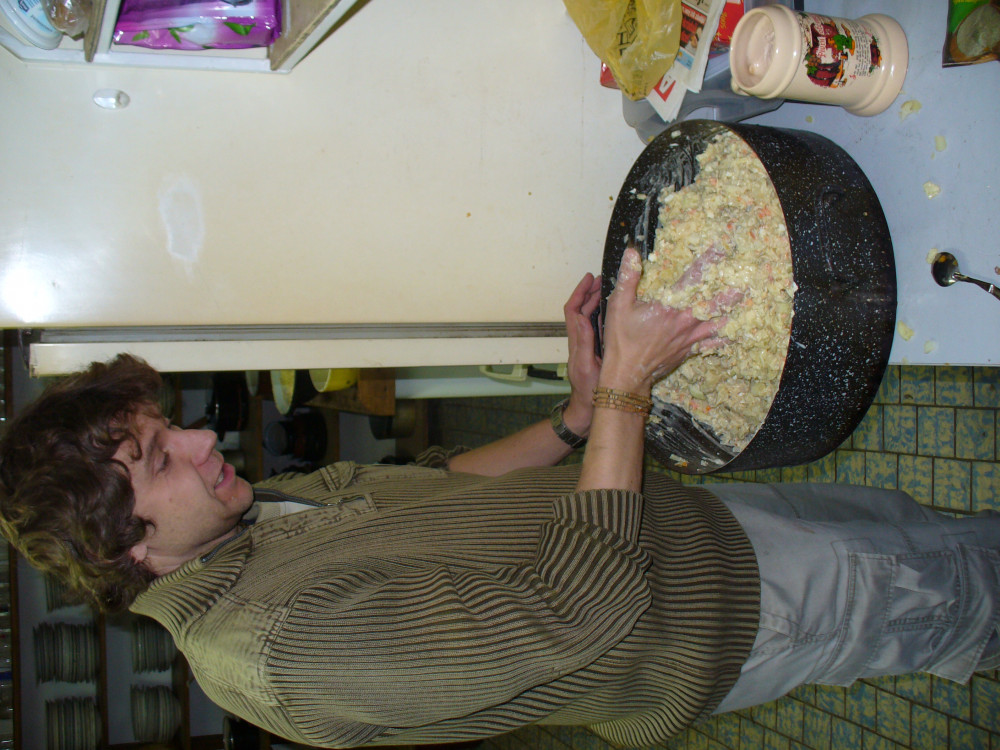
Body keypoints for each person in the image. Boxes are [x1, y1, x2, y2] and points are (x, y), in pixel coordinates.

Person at [1, 248, 999, 749]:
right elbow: (575, 611)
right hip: (724, 619)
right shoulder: (277, 656)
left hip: (693, 531)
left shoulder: (246, 523)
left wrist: (577, 418)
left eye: (167, 424)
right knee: (957, 594)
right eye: (160, 457)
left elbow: (434, 491)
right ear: (128, 549)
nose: (201, 439)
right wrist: (626, 391)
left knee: (921, 533)